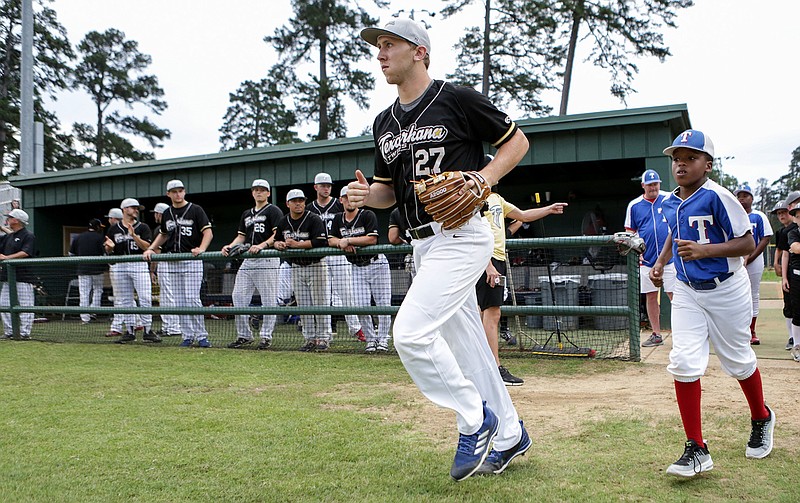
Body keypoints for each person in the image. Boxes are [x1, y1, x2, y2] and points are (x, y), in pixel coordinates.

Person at [350, 18, 531, 481]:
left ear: (420, 52)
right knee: (468, 348)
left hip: (463, 234)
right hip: (423, 245)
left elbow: (517, 142)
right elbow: (388, 193)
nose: (381, 53)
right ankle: (510, 434)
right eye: (379, 46)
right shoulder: (383, 122)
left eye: (390, 45)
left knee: (409, 333)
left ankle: (475, 418)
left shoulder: (456, 98)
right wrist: (363, 196)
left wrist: (482, 179)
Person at [650, 129, 774, 478]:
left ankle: (762, 417)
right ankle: (696, 448)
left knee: (737, 361)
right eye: (677, 158)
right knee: (684, 361)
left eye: (690, 158)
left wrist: (706, 250)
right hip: (688, 289)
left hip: (726, 287)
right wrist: (662, 262)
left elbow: (748, 242)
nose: (681, 164)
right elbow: (677, 232)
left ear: (707, 164)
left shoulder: (719, 196)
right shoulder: (672, 200)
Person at [480, 192, 567, 386]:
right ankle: (493, 369)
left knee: (485, 313)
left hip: (498, 258)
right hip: (487, 259)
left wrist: (549, 209)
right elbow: (472, 235)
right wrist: (487, 264)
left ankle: (483, 367)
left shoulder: (497, 198)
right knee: (491, 313)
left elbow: (524, 216)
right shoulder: (475, 198)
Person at [143, 180, 213, 348]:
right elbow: (164, 234)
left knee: (192, 299)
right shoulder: (167, 213)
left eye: (180, 190)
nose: (178, 194)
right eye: (174, 191)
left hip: (191, 260)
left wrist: (202, 248)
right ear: (169, 194)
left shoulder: (195, 209)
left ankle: (202, 336)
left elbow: (208, 232)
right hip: (172, 260)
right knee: (180, 301)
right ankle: (187, 335)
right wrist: (151, 248)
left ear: (184, 191)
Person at [328, 186, 392, 353]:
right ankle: (371, 340)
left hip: (376, 264)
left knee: (383, 305)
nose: (349, 201)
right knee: (361, 306)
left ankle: (383, 339)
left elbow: (372, 239)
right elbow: (331, 239)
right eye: (345, 197)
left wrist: (349, 240)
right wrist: (341, 243)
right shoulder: (337, 218)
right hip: (356, 267)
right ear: (341, 200)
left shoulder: (367, 214)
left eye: (352, 197)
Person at [221, 179, 283, 350]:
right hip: (249, 259)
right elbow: (241, 237)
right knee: (238, 297)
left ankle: (266, 337)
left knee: (268, 299)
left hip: (267, 257)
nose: (259, 192)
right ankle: (244, 335)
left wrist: (262, 245)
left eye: (262, 190)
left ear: (268, 193)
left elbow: (277, 235)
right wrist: (230, 245)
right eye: (256, 189)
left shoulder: (273, 210)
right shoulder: (246, 214)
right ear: (252, 192)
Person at [308, 172, 364, 342]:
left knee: (347, 293)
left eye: (328, 185)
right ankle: (324, 335)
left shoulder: (338, 203)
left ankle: (355, 328)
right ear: (315, 187)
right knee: (322, 297)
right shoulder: (310, 208)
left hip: (338, 253)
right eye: (323, 185)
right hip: (320, 254)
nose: (326, 188)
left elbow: (350, 220)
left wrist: (347, 240)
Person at [274, 189, 331, 351]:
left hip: (316, 265)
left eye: (301, 200)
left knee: (320, 304)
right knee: (303, 305)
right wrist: (279, 244)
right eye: (295, 201)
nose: (299, 203)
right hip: (297, 267)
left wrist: (297, 244)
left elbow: (320, 241)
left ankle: (323, 338)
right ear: (288, 204)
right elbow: (276, 240)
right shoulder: (284, 221)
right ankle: (310, 339)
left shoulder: (313, 218)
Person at [624, 169, 676, 347]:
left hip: (670, 259)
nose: (653, 187)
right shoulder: (635, 205)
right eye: (650, 184)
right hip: (646, 260)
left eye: (656, 184)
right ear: (643, 185)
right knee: (651, 296)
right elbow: (629, 233)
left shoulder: (669, 198)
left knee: (675, 296)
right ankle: (656, 334)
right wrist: (636, 253)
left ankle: (683, 333)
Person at [104, 198, 160, 344]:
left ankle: (147, 330)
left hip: (138, 262)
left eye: (137, 208)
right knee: (124, 299)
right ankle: (129, 331)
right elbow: (109, 248)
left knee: (145, 297)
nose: (136, 210)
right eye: (133, 208)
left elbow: (147, 246)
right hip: (121, 263)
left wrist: (134, 236)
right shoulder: (114, 229)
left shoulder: (143, 227)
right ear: (124, 209)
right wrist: (109, 248)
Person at [734, 184, 773, 345]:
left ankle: (751, 330)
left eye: (746, 195)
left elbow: (765, 238)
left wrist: (750, 257)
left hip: (754, 260)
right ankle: (737, 330)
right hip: (736, 259)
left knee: (753, 294)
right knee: (735, 294)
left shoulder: (758, 216)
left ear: (752, 198)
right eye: (739, 195)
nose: (742, 198)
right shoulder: (733, 215)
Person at [0, 209, 35, 339]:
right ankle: (9, 332)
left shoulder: (28, 235)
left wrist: (7, 258)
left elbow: (26, 252)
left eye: (9, 218)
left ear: (16, 220)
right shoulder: (9, 236)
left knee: (25, 305)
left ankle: (24, 333)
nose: (7, 220)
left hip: (23, 276)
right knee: (3, 304)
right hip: (7, 276)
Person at [150, 202, 181, 338]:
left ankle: (172, 327)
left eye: (156, 213)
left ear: (159, 214)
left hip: (165, 263)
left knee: (168, 295)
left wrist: (152, 270)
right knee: (172, 294)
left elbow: (156, 252)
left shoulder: (160, 229)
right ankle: (170, 326)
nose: (155, 216)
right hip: (174, 262)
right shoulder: (175, 226)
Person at [69, 218, 107, 324]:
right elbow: (105, 254)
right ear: (97, 227)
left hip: (82, 269)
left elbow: (71, 254)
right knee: (98, 290)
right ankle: (94, 311)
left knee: (84, 293)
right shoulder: (100, 238)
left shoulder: (78, 237)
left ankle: (85, 318)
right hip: (97, 270)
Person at [778, 191, 800, 350]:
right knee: (793, 308)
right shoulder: (790, 232)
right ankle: (795, 342)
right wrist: (783, 276)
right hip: (795, 274)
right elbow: (791, 250)